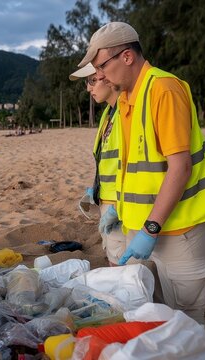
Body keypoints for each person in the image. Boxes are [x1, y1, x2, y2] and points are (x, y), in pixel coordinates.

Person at [77, 22, 205, 323]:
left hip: (178, 228)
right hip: (143, 227)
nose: (100, 76)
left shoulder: (163, 89)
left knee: (186, 317)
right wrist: (119, 209)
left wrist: (150, 229)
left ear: (128, 56)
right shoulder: (126, 99)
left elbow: (180, 167)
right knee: (156, 312)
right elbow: (131, 169)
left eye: (102, 66)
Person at [70, 63, 126, 266]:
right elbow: (108, 162)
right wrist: (96, 190)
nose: (88, 88)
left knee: (123, 269)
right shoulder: (108, 114)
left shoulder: (127, 113)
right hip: (109, 203)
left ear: (109, 76)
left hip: (123, 208)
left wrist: (119, 207)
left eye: (92, 80)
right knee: (114, 261)